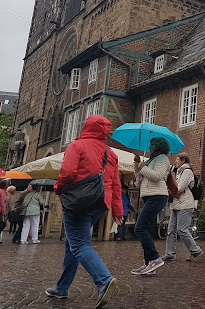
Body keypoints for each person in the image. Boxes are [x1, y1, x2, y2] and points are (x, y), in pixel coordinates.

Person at [45, 115, 123, 309]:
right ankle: (62, 287)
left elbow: (67, 172)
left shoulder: (77, 146)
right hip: (100, 203)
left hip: (78, 201)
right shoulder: (111, 153)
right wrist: (117, 210)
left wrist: (58, 188)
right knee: (72, 243)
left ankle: (104, 280)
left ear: (86, 127)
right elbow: (116, 184)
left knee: (79, 244)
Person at [131, 137, 170, 276]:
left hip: (157, 196)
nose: (149, 148)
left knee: (140, 227)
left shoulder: (162, 159)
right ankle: (149, 264)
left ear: (158, 147)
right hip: (149, 196)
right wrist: (137, 164)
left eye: (152, 145)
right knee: (146, 228)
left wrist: (144, 167)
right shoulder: (150, 160)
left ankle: (154, 258)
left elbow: (157, 176)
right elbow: (139, 177)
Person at [163, 152, 202, 262]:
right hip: (176, 204)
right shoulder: (178, 172)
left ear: (183, 160)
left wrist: (169, 190)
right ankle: (170, 253)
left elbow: (180, 188)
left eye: (177, 159)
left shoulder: (187, 172)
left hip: (185, 204)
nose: (175, 161)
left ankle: (195, 250)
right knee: (171, 230)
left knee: (182, 229)